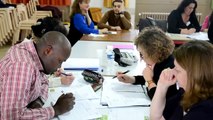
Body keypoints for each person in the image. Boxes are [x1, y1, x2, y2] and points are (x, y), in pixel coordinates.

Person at [0, 31, 75, 119]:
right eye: (60, 61)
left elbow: (44, 81)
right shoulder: (23, 66)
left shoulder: (35, 54)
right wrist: (56, 110)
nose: (59, 67)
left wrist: (39, 100)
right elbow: (10, 116)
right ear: (48, 51)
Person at [150, 40, 213, 120]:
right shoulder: (187, 92)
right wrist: (161, 85)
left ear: (194, 75)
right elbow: (157, 118)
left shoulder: (204, 112)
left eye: (177, 70)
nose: (172, 71)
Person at [116, 27, 178, 99]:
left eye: (142, 54)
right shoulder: (161, 61)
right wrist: (132, 79)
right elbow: (154, 79)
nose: (141, 58)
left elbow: (157, 98)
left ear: (154, 53)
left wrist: (149, 80)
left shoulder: (170, 69)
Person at [31, 17, 75, 87]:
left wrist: (53, 73)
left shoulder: (40, 51)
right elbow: (35, 84)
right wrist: (59, 81)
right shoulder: (29, 60)